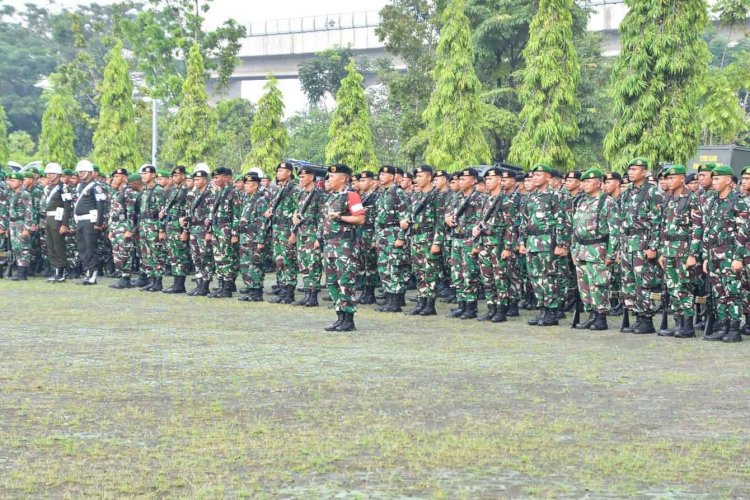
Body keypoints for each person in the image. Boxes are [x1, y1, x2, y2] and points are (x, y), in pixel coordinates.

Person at [701, 165, 749, 342]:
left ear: (728, 180)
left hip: (730, 253)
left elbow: (743, 232)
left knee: (733, 292)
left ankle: (734, 329)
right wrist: (706, 256)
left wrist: (738, 258)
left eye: (717, 179)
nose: (714, 182)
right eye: (712, 179)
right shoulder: (712, 200)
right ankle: (723, 326)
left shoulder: (739, 201)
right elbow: (707, 229)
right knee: (718, 292)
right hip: (714, 254)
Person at [519, 164, 571, 327]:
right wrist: (522, 241)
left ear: (548, 177)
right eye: (534, 175)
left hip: (548, 242)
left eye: (539, 175)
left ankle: (552, 312)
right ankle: (542, 309)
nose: (535, 177)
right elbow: (524, 221)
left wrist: (562, 244)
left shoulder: (555, 196)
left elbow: (563, 221)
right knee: (535, 277)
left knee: (549, 277)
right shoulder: (529, 197)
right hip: (532, 242)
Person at [657, 165, 703, 338]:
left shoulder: (692, 198)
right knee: (672, 288)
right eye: (667, 178)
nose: (668, 181)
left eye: (672, 178)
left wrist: (693, 254)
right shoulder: (668, 199)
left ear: (682, 178)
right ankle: (678, 323)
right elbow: (664, 227)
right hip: (669, 250)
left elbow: (697, 228)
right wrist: (662, 251)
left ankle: (687, 325)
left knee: (684, 288)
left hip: (684, 251)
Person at [619, 157, 663, 334]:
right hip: (627, 243)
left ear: (644, 172)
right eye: (629, 169)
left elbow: (657, 222)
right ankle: (636, 315)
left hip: (642, 243)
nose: (630, 172)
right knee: (629, 282)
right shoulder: (627, 192)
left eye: (634, 169)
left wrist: (653, 247)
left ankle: (646, 319)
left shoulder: (652, 192)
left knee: (643, 282)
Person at [571, 168, 618, 331]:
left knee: (598, 284)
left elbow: (614, 231)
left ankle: (601, 316)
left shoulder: (607, 201)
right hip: (581, 248)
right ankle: (591, 314)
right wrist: (573, 250)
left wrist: (611, 254)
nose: (584, 184)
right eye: (583, 182)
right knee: (584, 285)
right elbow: (575, 228)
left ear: (599, 183)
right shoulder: (581, 201)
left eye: (588, 181)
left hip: (598, 249)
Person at [321, 164, 366, 332]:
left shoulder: (351, 196)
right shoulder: (332, 197)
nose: (329, 179)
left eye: (333, 176)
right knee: (331, 282)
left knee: (345, 281)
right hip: (330, 244)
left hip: (345, 245)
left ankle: (349, 319)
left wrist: (341, 217)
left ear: (343, 178)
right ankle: (339, 316)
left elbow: (360, 219)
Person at [473, 167, 515, 322]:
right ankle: (491, 308)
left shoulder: (505, 200)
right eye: (486, 179)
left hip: (498, 245)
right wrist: (477, 242)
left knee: (500, 278)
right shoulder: (485, 199)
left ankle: (501, 309)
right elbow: (479, 222)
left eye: (491, 179)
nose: (488, 182)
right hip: (485, 244)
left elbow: (510, 226)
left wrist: (508, 248)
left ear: (499, 180)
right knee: (487, 278)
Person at [445, 168, 485, 320]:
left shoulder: (480, 199)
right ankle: (461, 304)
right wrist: (447, 219)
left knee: (469, 273)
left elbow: (481, 221)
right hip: (456, 238)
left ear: (474, 180)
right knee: (457, 273)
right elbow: (447, 214)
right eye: (459, 179)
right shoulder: (456, 197)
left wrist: (477, 244)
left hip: (469, 239)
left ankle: (470, 306)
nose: (460, 182)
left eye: (463, 179)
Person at [404, 165, 443, 316]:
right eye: (416, 177)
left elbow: (440, 221)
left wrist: (437, 242)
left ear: (429, 177)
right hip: (416, 237)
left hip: (429, 237)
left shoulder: (436, 196)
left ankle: (430, 303)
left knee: (430, 271)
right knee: (419, 271)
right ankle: (421, 301)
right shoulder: (416, 196)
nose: (417, 179)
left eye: (420, 176)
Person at [375, 165, 410, 312]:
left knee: (394, 267)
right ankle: (389, 298)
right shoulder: (383, 193)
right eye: (380, 174)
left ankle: (395, 302)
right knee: (384, 267)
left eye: (384, 174)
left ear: (391, 176)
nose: (381, 177)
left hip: (394, 233)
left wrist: (401, 237)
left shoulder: (398, 193)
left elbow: (405, 217)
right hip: (382, 234)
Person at [265, 162, 300, 304]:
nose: (278, 173)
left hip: (287, 230)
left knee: (288, 262)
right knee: (279, 261)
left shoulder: (295, 190)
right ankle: (282, 290)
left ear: (289, 173)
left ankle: (289, 293)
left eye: (281, 170)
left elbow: (298, 213)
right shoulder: (280, 189)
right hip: (277, 230)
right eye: (277, 170)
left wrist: (294, 233)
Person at [291, 166, 325, 307]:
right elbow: (296, 211)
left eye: (304, 176)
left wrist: (319, 238)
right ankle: (306, 293)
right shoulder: (301, 194)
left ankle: (313, 295)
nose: (301, 179)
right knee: (303, 264)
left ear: (311, 177)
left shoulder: (319, 194)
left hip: (313, 233)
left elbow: (323, 218)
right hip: (301, 233)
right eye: (299, 177)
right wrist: (294, 220)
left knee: (313, 264)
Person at [207, 167, 242, 298]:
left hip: (227, 229)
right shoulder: (220, 192)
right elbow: (214, 213)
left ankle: (227, 287)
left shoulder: (233, 192)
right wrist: (210, 230)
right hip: (218, 228)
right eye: (214, 177)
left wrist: (234, 233)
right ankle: (221, 285)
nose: (215, 180)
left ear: (226, 177)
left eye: (217, 177)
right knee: (218, 257)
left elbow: (237, 215)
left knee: (227, 258)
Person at [73, 160, 108, 285]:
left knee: (90, 248)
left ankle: (93, 274)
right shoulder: (79, 186)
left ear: (89, 172)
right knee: (82, 248)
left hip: (90, 220)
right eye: (79, 172)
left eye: (83, 172)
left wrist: (99, 222)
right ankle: (87, 272)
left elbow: (100, 204)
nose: (80, 174)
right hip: (80, 220)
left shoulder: (96, 186)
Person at [237, 172, 269, 302]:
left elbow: (262, 222)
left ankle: (257, 291)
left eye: (248, 184)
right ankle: (250, 289)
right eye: (245, 183)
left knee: (255, 265)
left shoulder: (260, 200)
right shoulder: (246, 199)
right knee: (245, 265)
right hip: (245, 237)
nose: (245, 186)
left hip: (255, 238)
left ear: (255, 185)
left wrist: (261, 240)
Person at [183, 168, 215, 296]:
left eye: (198, 179)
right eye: (194, 179)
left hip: (203, 229)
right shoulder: (193, 194)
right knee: (195, 257)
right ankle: (199, 283)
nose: (195, 182)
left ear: (205, 180)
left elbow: (212, 215)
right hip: (194, 229)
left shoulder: (211, 194)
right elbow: (188, 212)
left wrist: (209, 231)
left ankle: (205, 284)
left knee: (205, 257)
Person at [161, 165, 191, 294]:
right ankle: (176, 283)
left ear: (183, 176)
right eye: (173, 176)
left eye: (177, 175)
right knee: (173, 256)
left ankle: (180, 284)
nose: (175, 178)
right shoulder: (173, 190)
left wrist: (185, 231)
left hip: (180, 227)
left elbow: (188, 212)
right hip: (171, 226)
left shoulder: (186, 191)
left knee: (180, 256)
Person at [137, 164, 167, 291]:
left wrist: (161, 230)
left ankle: (158, 281)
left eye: (146, 173)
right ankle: (151, 279)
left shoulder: (158, 190)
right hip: (144, 225)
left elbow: (162, 212)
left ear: (153, 175)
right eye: (142, 173)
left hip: (154, 225)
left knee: (156, 253)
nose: (144, 176)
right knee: (146, 254)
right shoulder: (144, 191)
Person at [108, 168, 139, 289]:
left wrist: (130, 229)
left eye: (117, 176)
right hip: (115, 225)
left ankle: (126, 278)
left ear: (125, 178)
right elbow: (112, 212)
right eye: (114, 177)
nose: (115, 179)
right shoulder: (116, 192)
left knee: (125, 251)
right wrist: (110, 229)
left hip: (124, 225)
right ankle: (121, 275)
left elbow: (132, 212)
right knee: (117, 252)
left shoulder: (129, 191)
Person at [42, 163, 72, 282]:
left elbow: (67, 205)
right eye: (48, 173)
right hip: (48, 218)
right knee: (51, 246)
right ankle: (55, 270)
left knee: (59, 246)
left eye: (52, 173)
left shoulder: (63, 188)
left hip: (58, 219)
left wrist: (64, 224)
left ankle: (61, 271)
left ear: (58, 174)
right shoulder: (47, 188)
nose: (49, 176)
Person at [5, 172, 34, 280]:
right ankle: (19, 272)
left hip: (21, 223)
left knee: (24, 249)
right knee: (17, 248)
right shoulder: (13, 194)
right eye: (10, 181)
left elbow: (29, 211)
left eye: (14, 181)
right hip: (13, 224)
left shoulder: (24, 194)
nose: (11, 183)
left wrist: (27, 227)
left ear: (20, 182)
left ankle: (23, 273)